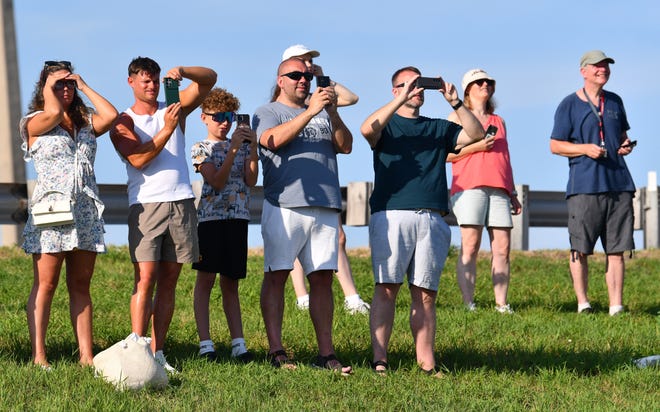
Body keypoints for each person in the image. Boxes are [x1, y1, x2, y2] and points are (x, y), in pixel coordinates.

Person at [360, 66, 485, 375]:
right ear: (395, 90)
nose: (417, 90)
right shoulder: (386, 126)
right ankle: (379, 360)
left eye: (419, 85)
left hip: (432, 218)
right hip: (391, 214)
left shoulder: (437, 127)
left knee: (426, 294)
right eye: (409, 85)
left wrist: (455, 101)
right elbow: (366, 130)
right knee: (386, 288)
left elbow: (477, 134)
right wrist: (400, 97)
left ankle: (426, 363)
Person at [110, 57, 216, 372]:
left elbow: (209, 80)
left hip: (181, 200)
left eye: (155, 80)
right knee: (145, 279)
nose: (152, 85)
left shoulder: (171, 106)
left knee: (169, 280)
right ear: (131, 82)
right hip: (146, 204)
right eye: (145, 80)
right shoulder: (123, 121)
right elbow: (139, 160)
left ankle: (158, 353)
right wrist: (167, 129)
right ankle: (137, 350)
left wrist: (184, 72)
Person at [254, 57, 353, 373]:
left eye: (307, 76)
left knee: (323, 278)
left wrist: (332, 112)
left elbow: (346, 146)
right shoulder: (267, 112)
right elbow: (271, 140)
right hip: (284, 205)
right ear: (280, 79)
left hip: (324, 205)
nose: (303, 80)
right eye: (295, 75)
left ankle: (326, 353)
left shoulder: (324, 112)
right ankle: (277, 350)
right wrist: (310, 112)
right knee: (278, 275)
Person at [21, 60, 118, 369]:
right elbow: (51, 114)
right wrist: (52, 89)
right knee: (46, 284)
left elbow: (112, 116)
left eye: (69, 84)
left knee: (81, 284)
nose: (65, 88)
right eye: (57, 84)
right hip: (52, 211)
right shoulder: (35, 121)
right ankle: (39, 356)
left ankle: (86, 357)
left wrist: (84, 85)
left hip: (85, 211)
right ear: (44, 87)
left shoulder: (85, 121)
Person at [277, 44, 369, 314]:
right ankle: (301, 296)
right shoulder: (283, 102)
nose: (307, 66)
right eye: (302, 62)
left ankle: (350, 297)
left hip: (323, 180)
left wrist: (323, 77)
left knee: (337, 238)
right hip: (293, 185)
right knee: (294, 241)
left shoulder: (317, 94)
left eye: (310, 61)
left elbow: (351, 99)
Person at [550, 50, 636, 316]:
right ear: (583, 71)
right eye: (597, 66)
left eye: (606, 66)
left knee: (617, 249)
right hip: (584, 186)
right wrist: (585, 148)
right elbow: (555, 145)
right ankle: (583, 304)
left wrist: (623, 146)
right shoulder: (568, 104)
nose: (603, 70)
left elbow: (621, 135)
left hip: (619, 183)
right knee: (580, 249)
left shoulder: (615, 101)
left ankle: (616, 307)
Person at [191, 88, 259, 363]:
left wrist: (251, 148)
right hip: (210, 220)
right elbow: (216, 181)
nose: (225, 122)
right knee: (206, 279)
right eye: (218, 117)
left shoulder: (241, 147)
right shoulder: (201, 148)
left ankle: (238, 343)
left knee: (231, 282)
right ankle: (205, 343)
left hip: (238, 219)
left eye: (229, 116)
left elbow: (251, 180)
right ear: (204, 118)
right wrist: (232, 150)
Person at [446, 69, 522, 314]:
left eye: (488, 81)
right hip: (469, 186)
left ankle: (502, 303)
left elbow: (506, 159)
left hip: (499, 189)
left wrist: (511, 191)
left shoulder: (499, 121)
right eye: (479, 82)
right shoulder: (456, 117)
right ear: (468, 89)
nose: (485, 85)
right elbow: (445, 155)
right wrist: (477, 146)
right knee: (470, 245)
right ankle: (469, 303)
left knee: (502, 248)